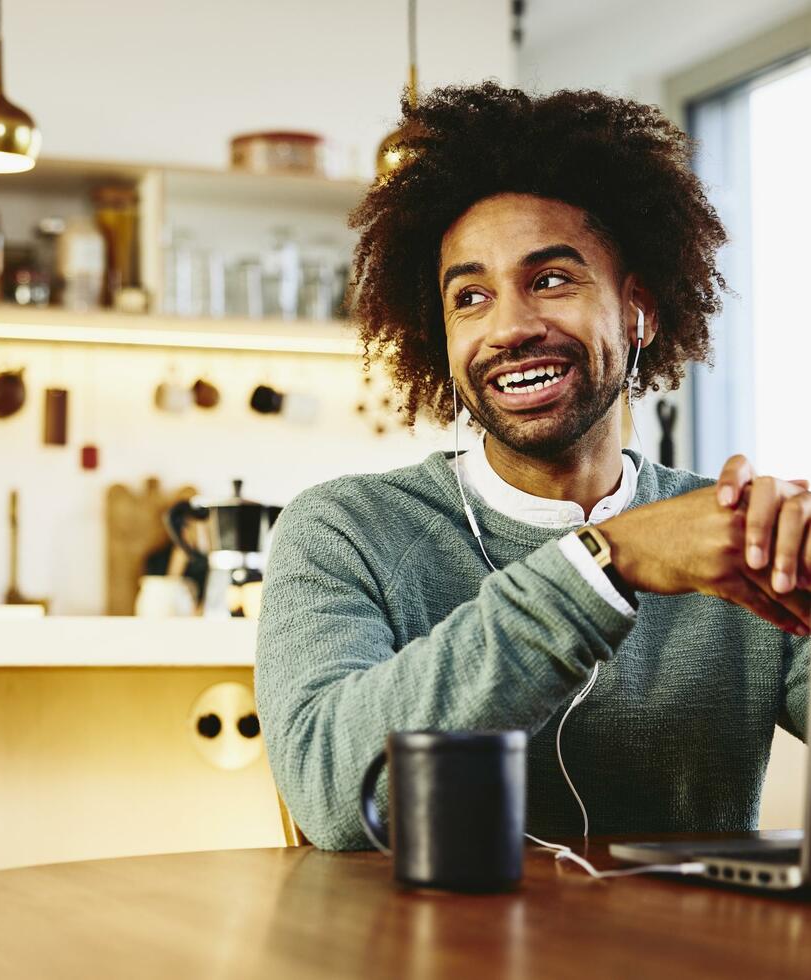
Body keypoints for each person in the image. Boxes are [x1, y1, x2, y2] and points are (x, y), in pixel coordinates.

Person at [255, 83, 811, 850]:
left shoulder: (727, 534)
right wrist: (606, 561)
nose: (510, 327)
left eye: (550, 280)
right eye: (470, 296)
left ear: (638, 308)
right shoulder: (347, 530)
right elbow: (331, 796)